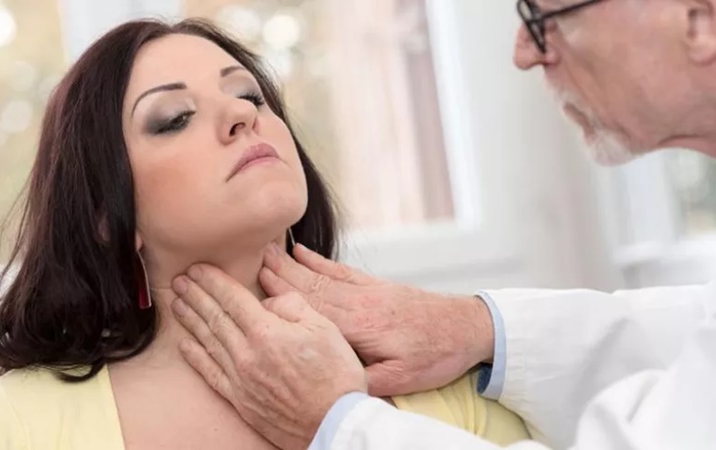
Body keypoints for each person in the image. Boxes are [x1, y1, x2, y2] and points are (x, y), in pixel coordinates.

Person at [0, 18, 530, 450]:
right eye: (175, 118)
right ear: (107, 217)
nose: (242, 114)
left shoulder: (437, 374)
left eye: (249, 95)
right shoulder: (21, 423)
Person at [171, 0, 716, 449]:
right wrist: (481, 328)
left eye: (543, 19)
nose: (523, 53)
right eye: (173, 119)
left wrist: (338, 426)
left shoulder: (438, 405)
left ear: (700, 22)